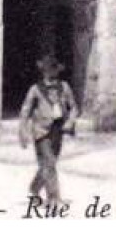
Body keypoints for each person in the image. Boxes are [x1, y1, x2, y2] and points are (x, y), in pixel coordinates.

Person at [19, 53, 79, 209]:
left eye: (53, 69)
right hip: (41, 131)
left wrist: (70, 122)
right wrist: (23, 132)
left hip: (58, 130)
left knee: (49, 164)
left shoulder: (64, 87)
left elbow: (73, 108)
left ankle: (34, 187)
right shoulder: (35, 89)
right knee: (50, 163)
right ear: (43, 71)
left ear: (57, 71)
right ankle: (54, 198)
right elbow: (25, 111)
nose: (50, 73)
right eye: (47, 70)